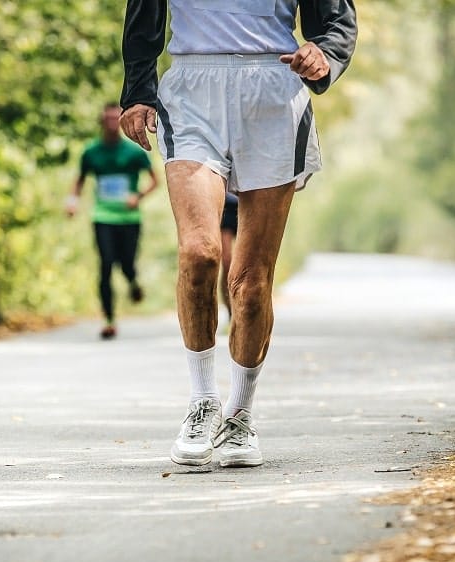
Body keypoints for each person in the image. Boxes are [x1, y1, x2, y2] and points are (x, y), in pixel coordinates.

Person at [120, 1, 357, 467]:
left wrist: (324, 52)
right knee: (200, 253)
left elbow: (336, 21)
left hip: (274, 90)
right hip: (193, 88)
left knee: (250, 284)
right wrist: (137, 92)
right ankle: (203, 401)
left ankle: (240, 416)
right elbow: (143, 15)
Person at [67, 103, 159, 340]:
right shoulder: (91, 152)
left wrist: (137, 196)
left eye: (114, 118)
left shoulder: (134, 153)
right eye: (106, 119)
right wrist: (72, 202)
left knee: (126, 263)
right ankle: (109, 320)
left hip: (129, 217)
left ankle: (133, 282)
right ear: (101, 121)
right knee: (106, 264)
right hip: (103, 216)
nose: (110, 123)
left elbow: (154, 181)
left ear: (120, 121)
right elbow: (79, 180)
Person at [219, 191, 238, 319]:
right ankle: (231, 311)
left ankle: (244, 310)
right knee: (227, 263)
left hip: (249, 200)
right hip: (226, 207)